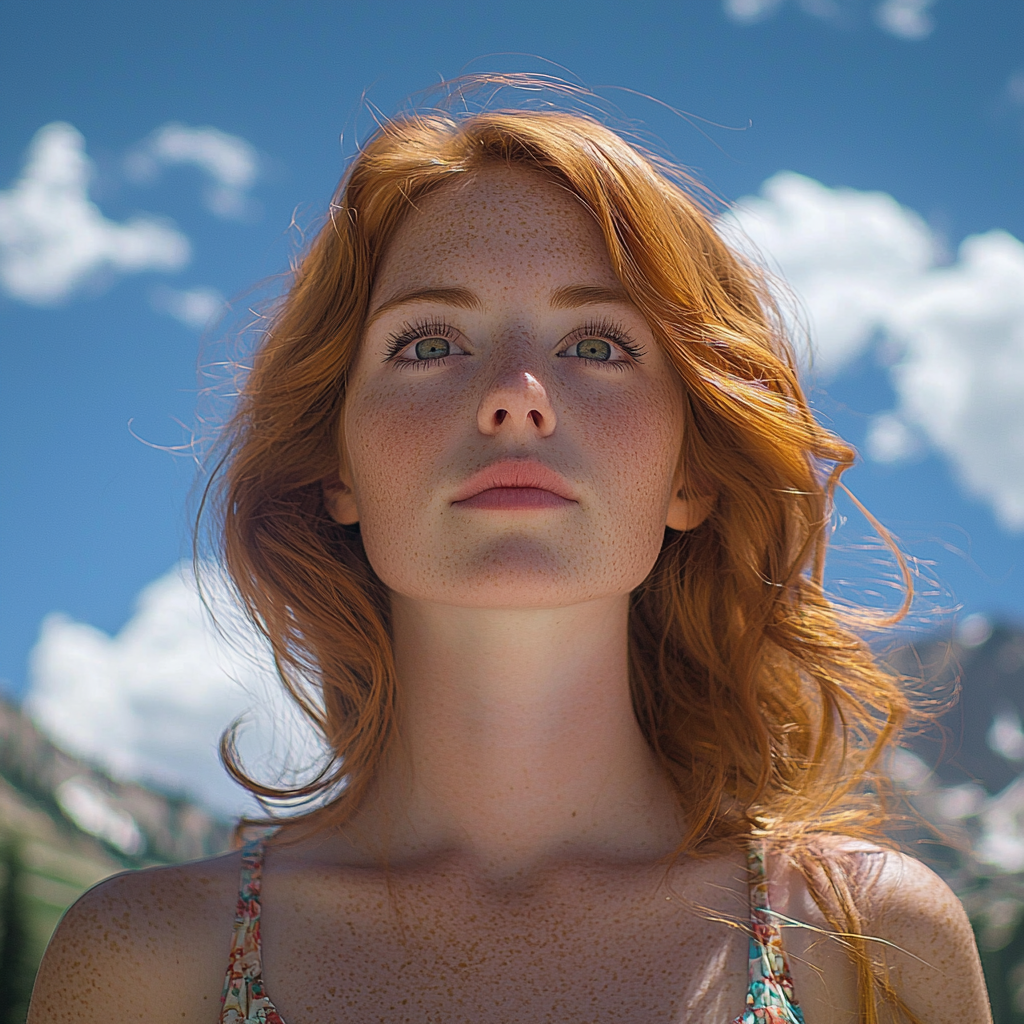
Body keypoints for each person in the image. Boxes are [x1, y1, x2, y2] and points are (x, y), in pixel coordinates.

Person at [28, 86, 992, 1024]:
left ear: (689, 473)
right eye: (432, 342)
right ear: (338, 467)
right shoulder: (147, 960)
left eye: (600, 344)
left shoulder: (864, 942)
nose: (517, 396)